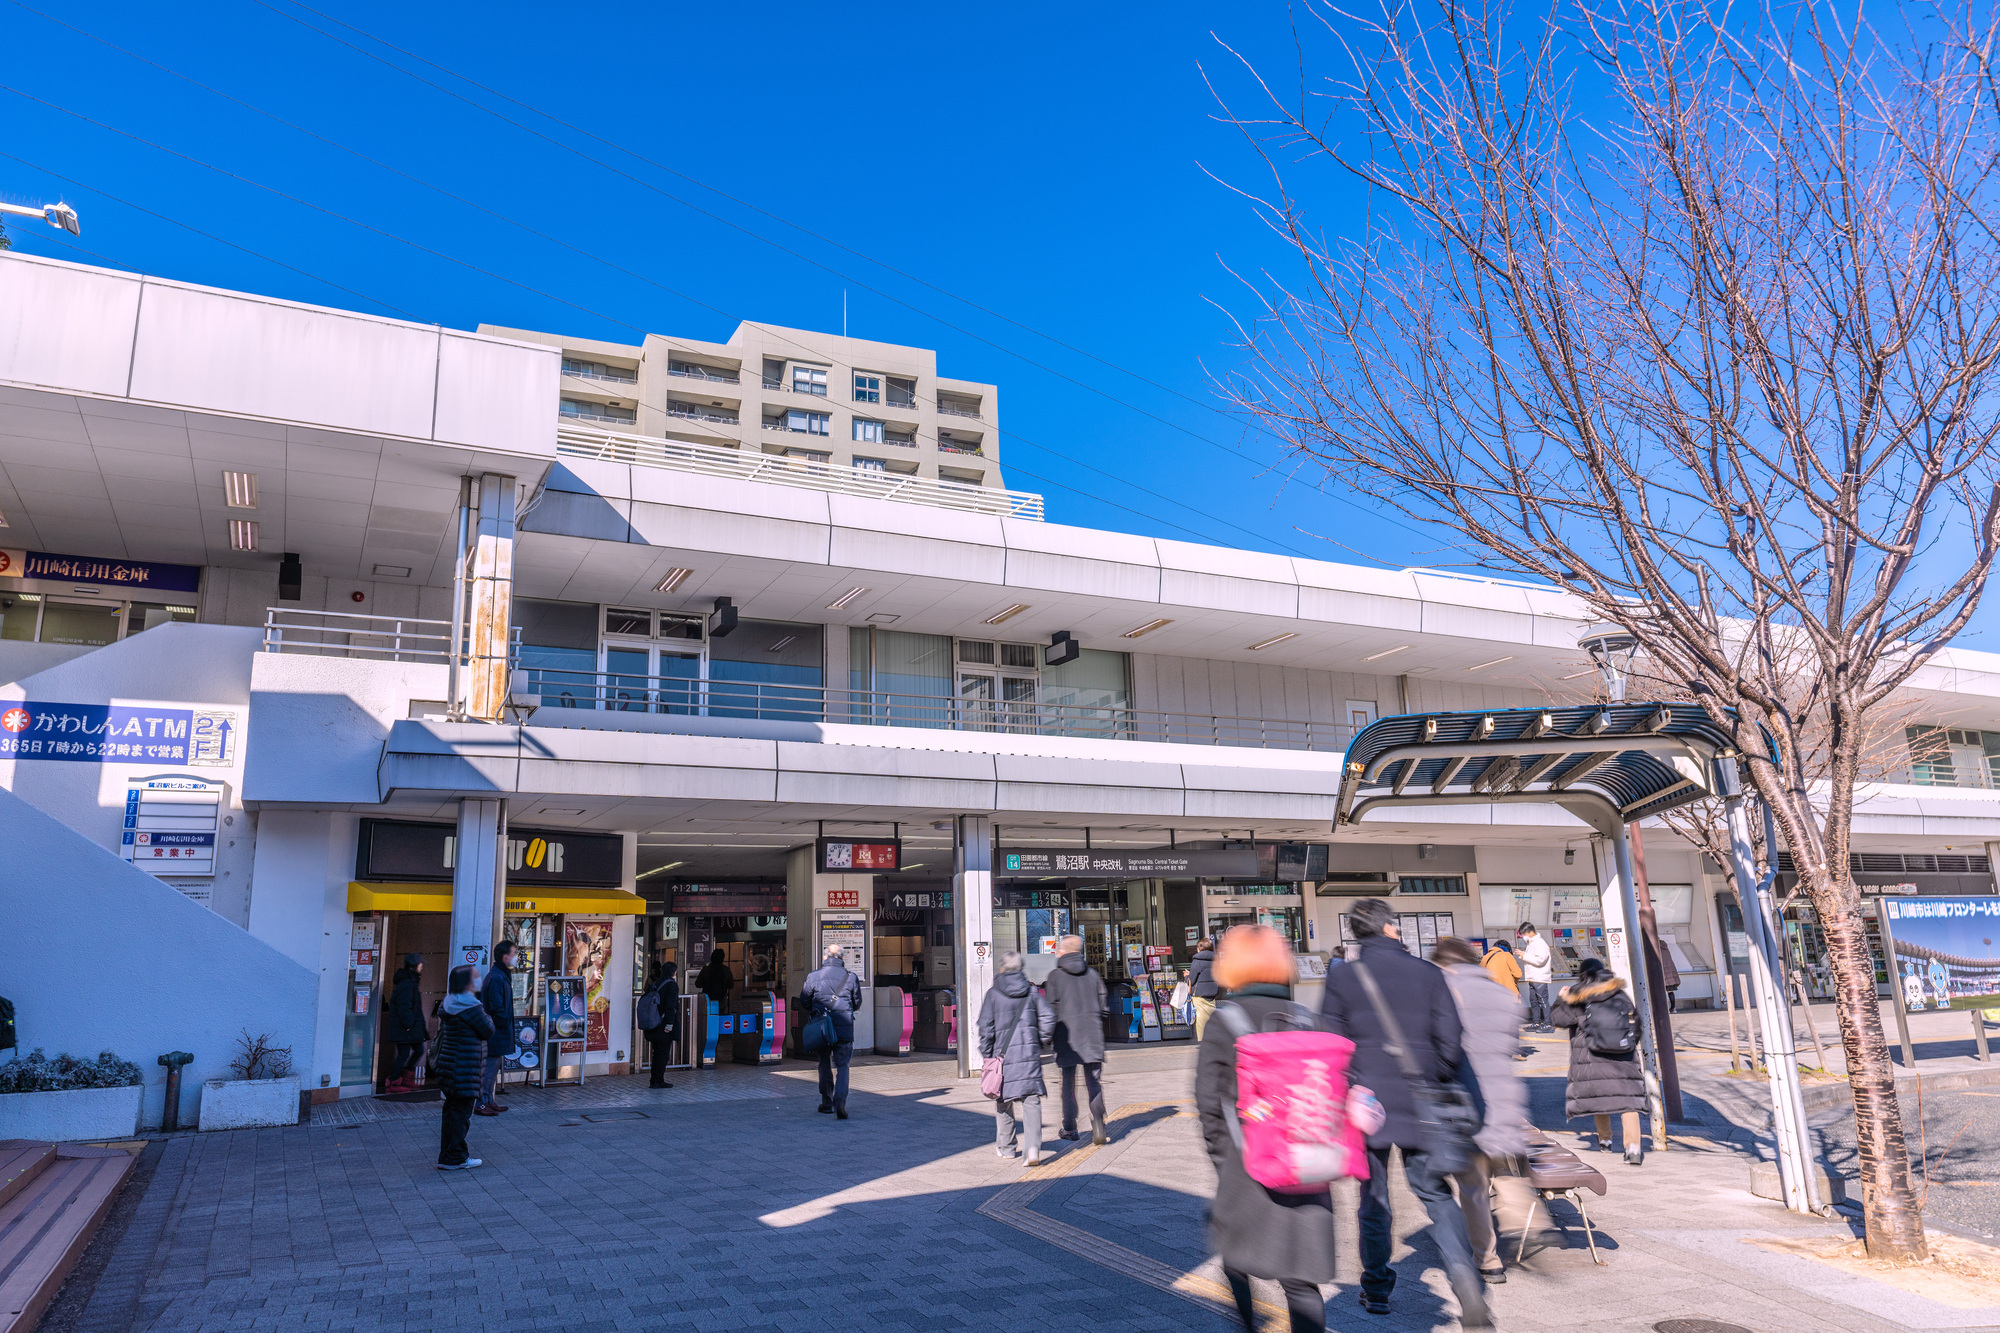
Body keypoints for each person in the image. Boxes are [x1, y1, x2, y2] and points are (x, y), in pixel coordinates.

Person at [1321, 898, 1490, 1328]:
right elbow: (1451, 1046)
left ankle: (1376, 1290)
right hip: (1423, 1103)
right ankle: (1466, 1281)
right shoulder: (1430, 974)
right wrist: (1428, 1074)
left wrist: (1355, 1086)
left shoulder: (1343, 978)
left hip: (1366, 1106)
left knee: (1374, 1199)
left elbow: (1331, 1047)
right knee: (1435, 1193)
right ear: (1391, 928)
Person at [1197, 925, 1339, 1332]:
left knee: (1234, 1258)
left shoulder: (1226, 1023)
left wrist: (1226, 1162)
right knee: (1301, 1283)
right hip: (1307, 1167)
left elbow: (1209, 1104)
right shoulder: (1308, 1020)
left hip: (1248, 1167)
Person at [1434, 937, 1531, 1286]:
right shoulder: (1503, 995)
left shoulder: (1443, 995)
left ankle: (1489, 1260)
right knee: (1506, 1171)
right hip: (1505, 1097)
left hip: (1468, 1101)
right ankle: (1529, 1228)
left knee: (1474, 1186)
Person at [1551, 957, 1647, 1166]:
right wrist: (1629, 1044)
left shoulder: (1577, 994)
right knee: (1628, 1101)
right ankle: (1633, 1149)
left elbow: (1557, 1019)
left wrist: (1561, 998)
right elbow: (1636, 1021)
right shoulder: (1619, 992)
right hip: (1623, 1056)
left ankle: (1605, 1141)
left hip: (1590, 1057)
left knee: (1600, 1096)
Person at [978, 950, 1055, 1165]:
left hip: (1002, 1057)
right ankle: (1032, 1149)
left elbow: (986, 1028)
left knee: (1003, 1100)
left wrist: (987, 1054)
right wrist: (1040, 1041)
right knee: (1031, 1100)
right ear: (1020, 968)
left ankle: (1007, 1147)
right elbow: (1048, 1017)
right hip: (1028, 1055)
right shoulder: (1031, 992)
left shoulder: (993, 994)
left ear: (1002, 968)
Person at [1043, 935, 1110, 1145]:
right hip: (1092, 1035)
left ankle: (1070, 1127)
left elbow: (1051, 1010)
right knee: (1093, 1082)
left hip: (1067, 1037)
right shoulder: (1092, 975)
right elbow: (1104, 1008)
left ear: (1062, 952)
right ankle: (1098, 1124)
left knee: (1068, 1084)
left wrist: (1049, 1036)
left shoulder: (1054, 976)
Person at [434, 964, 495, 1171]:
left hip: (449, 1065)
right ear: (467, 982)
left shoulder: (449, 1002)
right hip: (465, 1068)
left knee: (451, 1111)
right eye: (476, 977)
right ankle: (456, 1157)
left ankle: (447, 1155)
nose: (479, 980)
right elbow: (488, 1029)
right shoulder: (471, 1006)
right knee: (461, 1114)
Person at [801, 943, 861, 1119]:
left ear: (825, 958)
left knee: (824, 1063)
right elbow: (857, 1002)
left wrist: (817, 1008)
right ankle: (840, 1101)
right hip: (844, 1027)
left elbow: (804, 1001)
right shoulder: (851, 977)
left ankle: (827, 1102)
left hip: (822, 1027)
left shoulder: (813, 976)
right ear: (842, 958)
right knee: (843, 1065)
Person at [476, 940, 518, 1116]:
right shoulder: (496, 977)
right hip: (495, 1033)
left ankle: (488, 1100)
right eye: (514, 954)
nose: (516, 958)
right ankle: (481, 1102)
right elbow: (496, 1007)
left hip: (497, 1031)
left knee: (493, 1069)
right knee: (489, 1069)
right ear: (505, 956)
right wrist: (502, 1025)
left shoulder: (500, 975)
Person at [383, 953, 427, 1092]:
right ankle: (393, 1081)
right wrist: (409, 1025)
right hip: (405, 1027)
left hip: (408, 1026)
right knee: (404, 1053)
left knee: (418, 1050)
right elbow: (404, 1006)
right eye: (420, 964)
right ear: (413, 966)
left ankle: (405, 1078)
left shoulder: (409, 982)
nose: (421, 967)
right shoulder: (407, 984)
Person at [640, 962, 680, 1089]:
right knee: (662, 1054)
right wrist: (669, 1024)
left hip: (653, 1023)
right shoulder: (671, 985)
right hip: (662, 1025)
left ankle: (655, 1080)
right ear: (673, 972)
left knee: (656, 1053)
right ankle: (658, 1080)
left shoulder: (656, 983)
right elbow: (670, 1006)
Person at [1517, 922, 1554, 1032]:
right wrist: (1524, 954)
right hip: (1533, 977)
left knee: (1543, 1001)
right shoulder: (1532, 943)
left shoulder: (1540, 943)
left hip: (1539, 977)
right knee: (1534, 1001)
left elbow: (1540, 960)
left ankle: (1547, 1024)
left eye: (1523, 934)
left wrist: (1524, 956)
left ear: (1529, 932)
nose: (1523, 937)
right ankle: (1536, 1022)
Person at [1189, 936, 1219, 1040]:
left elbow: (1191, 981)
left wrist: (1186, 976)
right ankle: (1213, 1041)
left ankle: (1204, 1043)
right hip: (1212, 995)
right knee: (1212, 1020)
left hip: (1199, 996)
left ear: (1199, 949)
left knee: (1201, 1022)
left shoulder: (1197, 961)